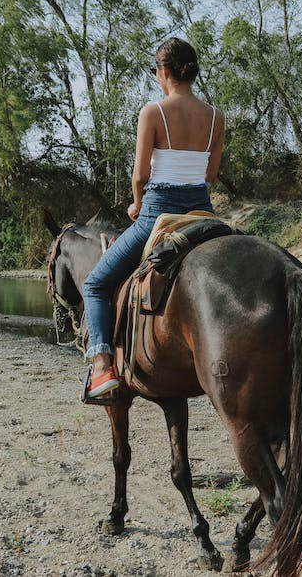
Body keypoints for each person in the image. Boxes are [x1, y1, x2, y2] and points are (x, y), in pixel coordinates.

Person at [81, 37, 224, 399]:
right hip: (202, 213)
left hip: (158, 212)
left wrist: (137, 204)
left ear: (163, 72)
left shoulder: (153, 112)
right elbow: (209, 175)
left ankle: (100, 366)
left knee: (95, 284)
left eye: (156, 71)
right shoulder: (215, 117)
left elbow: (140, 176)